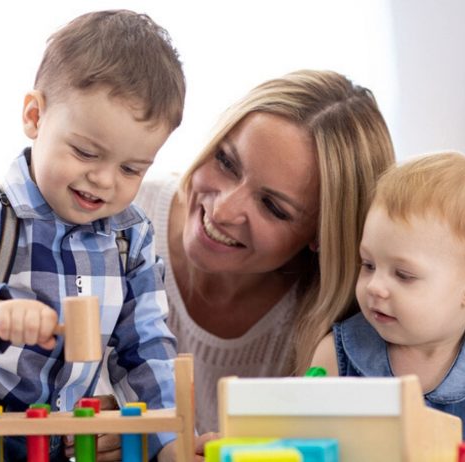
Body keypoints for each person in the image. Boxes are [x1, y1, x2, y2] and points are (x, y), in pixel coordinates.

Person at [97, 69, 396, 434]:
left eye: (273, 207)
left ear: (321, 235)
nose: (222, 211)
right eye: (225, 161)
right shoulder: (113, 213)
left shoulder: (334, 329)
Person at [0, 10, 188, 462]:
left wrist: (172, 441)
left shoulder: (130, 238)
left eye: (131, 168)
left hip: (58, 440)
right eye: (85, 152)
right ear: (35, 116)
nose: (103, 180)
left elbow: (148, 348)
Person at [311, 152, 465, 440]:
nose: (374, 287)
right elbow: (301, 445)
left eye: (403, 275)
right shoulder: (335, 354)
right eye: (368, 265)